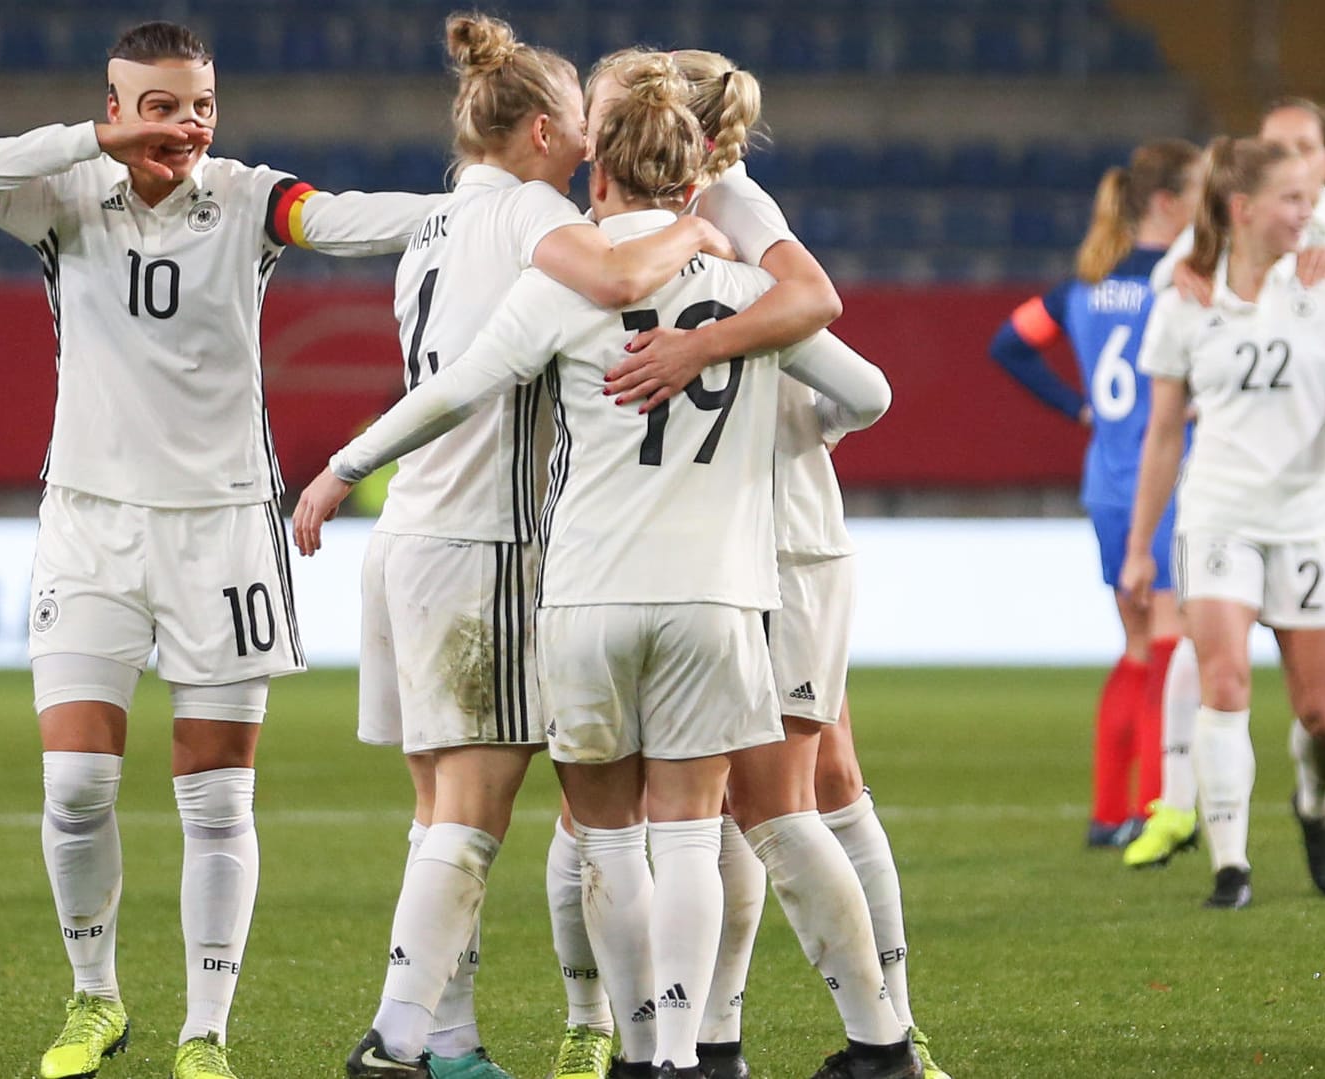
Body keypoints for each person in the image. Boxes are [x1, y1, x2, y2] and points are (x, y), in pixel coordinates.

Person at [290, 55, 899, 1079]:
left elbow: (456, 390)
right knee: (701, 835)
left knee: (608, 842)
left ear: (599, 175)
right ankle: (701, 1052)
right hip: (718, 599)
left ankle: (630, 1047)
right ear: (688, 177)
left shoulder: (563, 282)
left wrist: (342, 467)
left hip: (585, 597)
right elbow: (867, 389)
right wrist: (789, 424)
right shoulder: (754, 291)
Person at [0, 22, 437, 1079]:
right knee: (74, 782)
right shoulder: (65, 194)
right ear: (115, 108)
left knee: (216, 798)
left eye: (202, 105)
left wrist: (475, 212)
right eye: (161, 105)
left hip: (223, 528)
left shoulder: (251, 199)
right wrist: (91, 142)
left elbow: (342, 220)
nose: (187, 126)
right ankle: (95, 1000)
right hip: (88, 520)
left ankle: (204, 1028)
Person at [337, 14, 734, 1079]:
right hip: (489, 540)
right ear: (551, 130)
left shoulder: (429, 225)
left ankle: (449, 1038)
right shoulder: (530, 212)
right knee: (472, 818)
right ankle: (398, 1032)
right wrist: (698, 233)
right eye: (583, 120)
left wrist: (341, 471)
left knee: (437, 818)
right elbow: (610, 282)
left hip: (410, 531)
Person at [587, 48, 950, 1079]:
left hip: (781, 545)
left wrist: (773, 408)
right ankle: (720, 1036)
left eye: (613, 106)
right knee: (756, 802)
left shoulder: (732, 213)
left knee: (788, 797)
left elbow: (859, 378)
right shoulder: (682, 228)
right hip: (739, 548)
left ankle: (885, 1032)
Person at [1128, 98, 1325, 891]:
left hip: (1316, 511)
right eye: (1288, 198)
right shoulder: (1186, 293)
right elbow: (1162, 433)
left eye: (1306, 189)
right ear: (1245, 207)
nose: (1303, 211)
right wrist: (1143, 546)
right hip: (1219, 509)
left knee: (1323, 711)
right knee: (1223, 678)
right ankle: (1230, 863)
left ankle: (1320, 802)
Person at [987, 139, 1203, 850]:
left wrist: (1078, 406)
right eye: (1200, 189)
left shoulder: (1082, 287)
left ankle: (1110, 810)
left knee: (1138, 642)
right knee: (1169, 641)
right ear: (1168, 201)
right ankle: (1156, 807)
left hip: (1108, 482)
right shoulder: (1182, 283)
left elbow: (1009, 343)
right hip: (1165, 481)